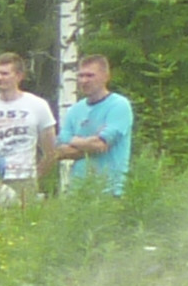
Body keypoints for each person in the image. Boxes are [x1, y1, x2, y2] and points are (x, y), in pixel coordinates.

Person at [0, 49, 56, 211]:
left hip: (23, 178)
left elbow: (50, 150)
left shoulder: (38, 105)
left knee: (21, 226)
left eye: (5, 74)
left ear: (19, 76)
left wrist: (35, 176)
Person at [54, 49, 134, 197]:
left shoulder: (119, 105)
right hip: (78, 191)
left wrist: (73, 141)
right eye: (81, 76)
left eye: (90, 75)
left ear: (105, 77)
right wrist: (88, 142)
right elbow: (59, 150)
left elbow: (100, 145)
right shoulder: (74, 110)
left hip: (109, 191)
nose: (84, 81)